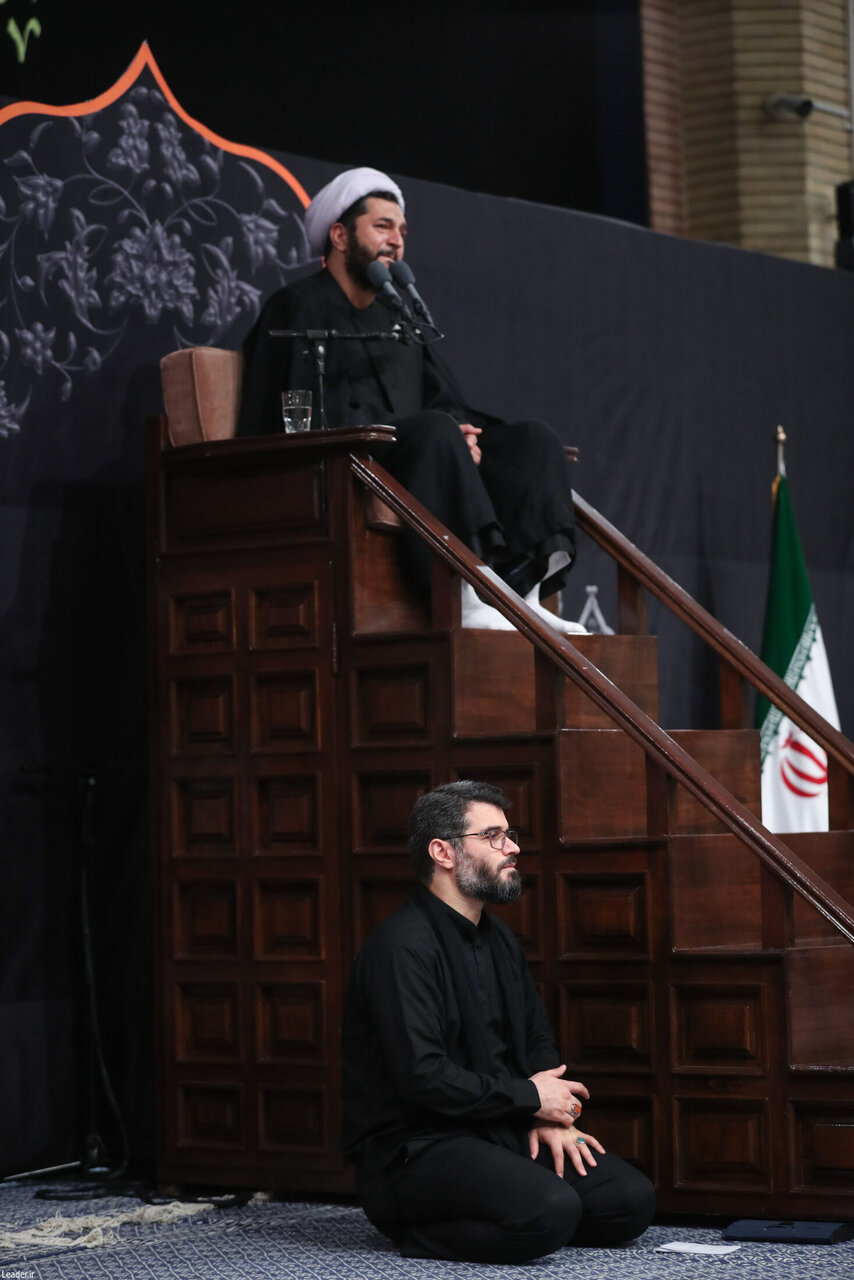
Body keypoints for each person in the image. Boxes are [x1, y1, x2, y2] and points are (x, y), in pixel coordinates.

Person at [237, 167, 584, 633]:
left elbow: (445, 398)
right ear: (339, 236)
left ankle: (525, 594)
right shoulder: (296, 306)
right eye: (382, 226)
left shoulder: (398, 315)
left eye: (402, 231)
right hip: (352, 461)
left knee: (532, 442)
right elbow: (286, 412)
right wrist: (443, 434)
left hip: (423, 457)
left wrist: (464, 436)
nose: (396, 241)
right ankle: (463, 594)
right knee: (436, 431)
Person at [341, 780, 656, 1263]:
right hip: (417, 1149)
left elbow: (536, 1038)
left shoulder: (500, 938)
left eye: (508, 835)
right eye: (493, 836)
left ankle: (519, 1210)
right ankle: (415, 1233)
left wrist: (551, 1117)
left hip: (497, 1129)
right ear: (443, 852)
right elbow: (424, 1077)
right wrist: (530, 1098)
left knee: (630, 1201)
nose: (513, 848)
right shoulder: (400, 948)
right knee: (549, 1210)